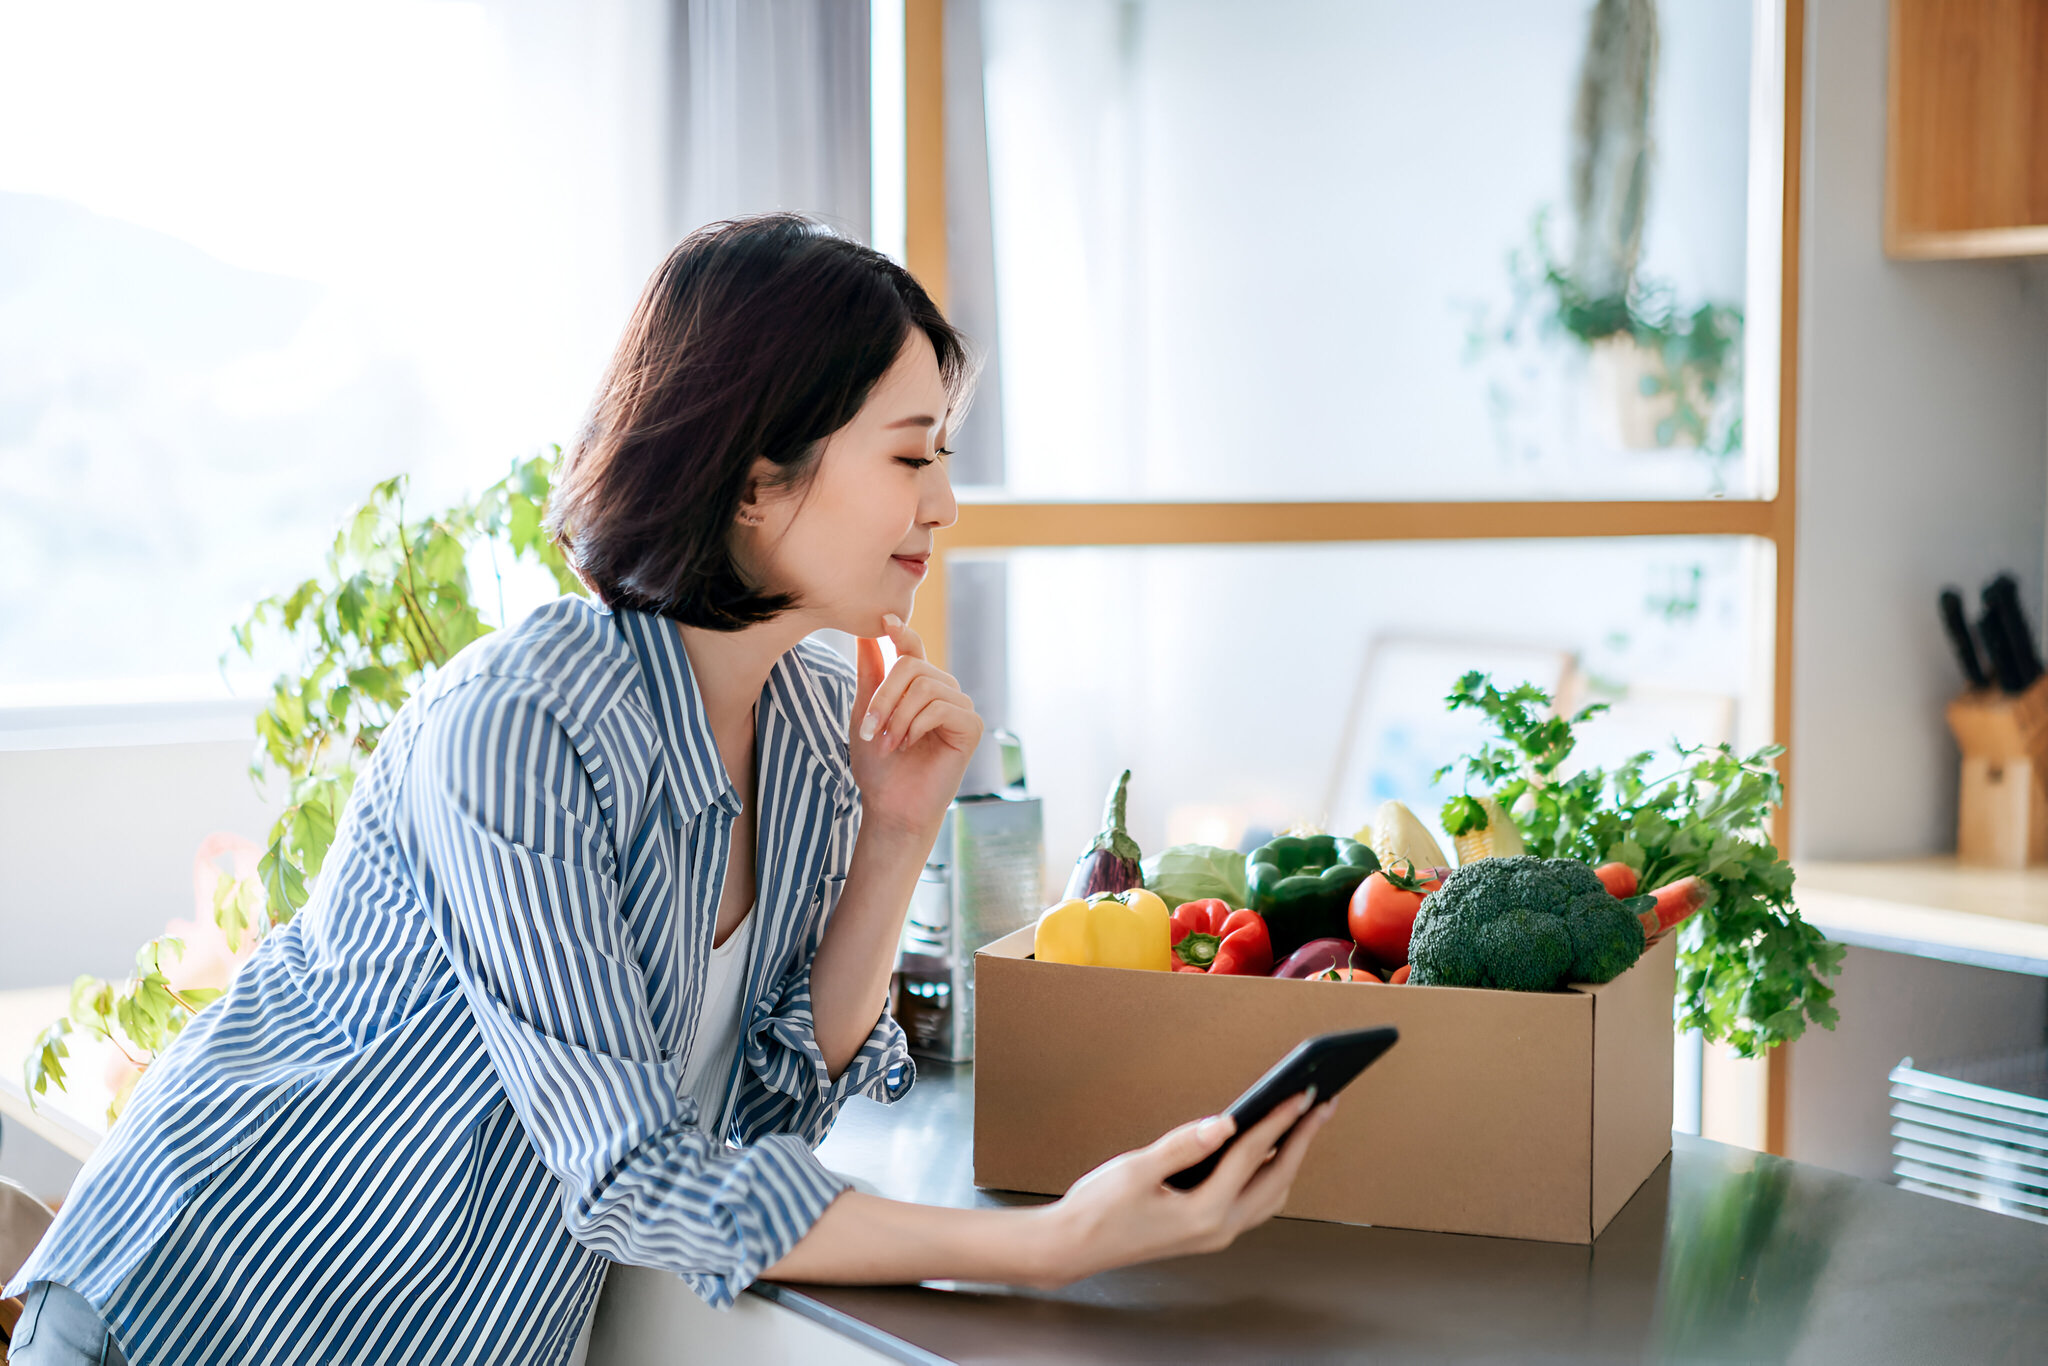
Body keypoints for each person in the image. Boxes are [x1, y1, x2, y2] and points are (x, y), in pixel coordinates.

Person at [6, 213, 1337, 1366]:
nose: (944, 503)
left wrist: (895, 835)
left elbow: (765, 1112)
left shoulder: (818, 723)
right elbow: (638, 1175)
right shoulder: (523, 718)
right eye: (910, 453)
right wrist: (1048, 1244)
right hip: (205, 1304)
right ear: (758, 468)